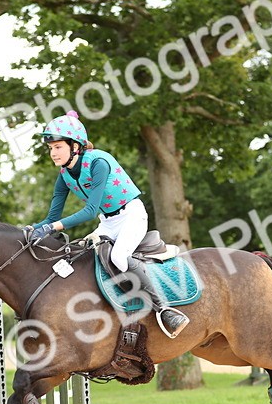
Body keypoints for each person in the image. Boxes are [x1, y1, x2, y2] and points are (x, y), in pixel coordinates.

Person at [25, 110, 189, 338]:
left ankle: (165, 310)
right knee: (81, 256)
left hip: (132, 215)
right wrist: (30, 230)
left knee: (119, 257)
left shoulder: (98, 163)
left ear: (75, 146)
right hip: (108, 222)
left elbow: (90, 211)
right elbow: (51, 218)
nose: (53, 153)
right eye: (51, 148)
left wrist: (51, 229)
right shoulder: (64, 175)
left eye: (58, 147)